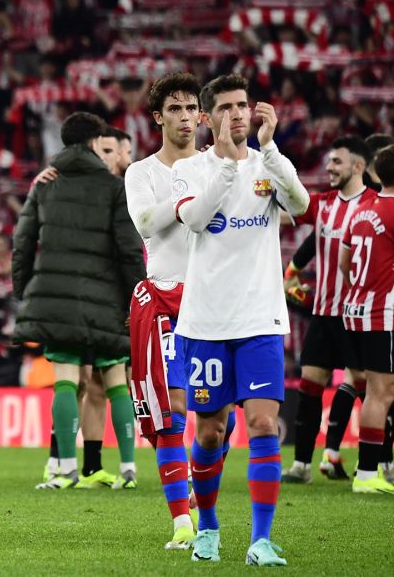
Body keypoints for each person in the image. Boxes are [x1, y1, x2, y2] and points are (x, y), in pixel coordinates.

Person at [171, 74, 308, 565]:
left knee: (264, 423)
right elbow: (194, 219)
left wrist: (269, 152)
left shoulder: (269, 165)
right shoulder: (190, 169)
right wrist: (229, 167)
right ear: (207, 118)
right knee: (210, 433)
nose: (237, 114)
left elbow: (300, 204)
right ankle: (207, 525)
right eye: (226, 107)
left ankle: (261, 540)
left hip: (261, 320)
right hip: (206, 323)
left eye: (243, 105)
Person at [13, 112, 145, 491]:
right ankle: (129, 469)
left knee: (67, 382)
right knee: (116, 380)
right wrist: (137, 296)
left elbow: (22, 242)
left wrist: (26, 293)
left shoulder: (45, 183)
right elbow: (128, 250)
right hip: (105, 298)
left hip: (57, 301)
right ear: (92, 143)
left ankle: (66, 468)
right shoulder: (112, 187)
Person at [125, 73, 226, 549]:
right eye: (175, 110)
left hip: (213, 300)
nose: (185, 118)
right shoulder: (141, 172)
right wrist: (188, 197)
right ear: (158, 117)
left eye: (191, 109)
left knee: (214, 418)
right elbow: (146, 222)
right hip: (163, 297)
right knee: (173, 412)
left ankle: (199, 497)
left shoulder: (219, 166)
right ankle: (181, 522)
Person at [281, 136, 375, 484]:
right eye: (329, 161)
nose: (329, 167)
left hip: (361, 315)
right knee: (310, 385)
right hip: (324, 313)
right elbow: (294, 221)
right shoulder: (322, 204)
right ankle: (302, 466)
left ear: (358, 166)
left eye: (337, 161)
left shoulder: (376, 205)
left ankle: (379, 464)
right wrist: (291, 273)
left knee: (372, 390)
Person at [340, 145, 394, 494]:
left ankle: (374, 467)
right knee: (381, 393)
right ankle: (367, 473)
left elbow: (345, 263)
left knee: (376, 390)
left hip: (355, 309)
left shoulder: (362, 209)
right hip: (383, 314)